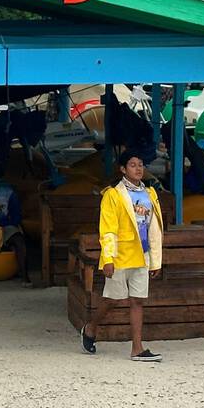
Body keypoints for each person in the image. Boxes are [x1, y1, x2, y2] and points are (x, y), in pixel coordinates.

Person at [81, 150, 163, 360]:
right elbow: (107, 229)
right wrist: (107, 259)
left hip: (141, 255)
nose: (138, 168)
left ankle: (137, 348)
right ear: (123, 169)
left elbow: (153, 228)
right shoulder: (113, 195)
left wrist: (155, 260)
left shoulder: (150, 194)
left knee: (138, 301)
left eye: (141, 164)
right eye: (133, 165)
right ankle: (91, 327)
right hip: (120, 256)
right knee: (113, 299)